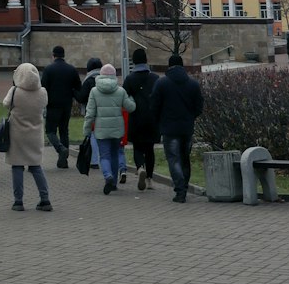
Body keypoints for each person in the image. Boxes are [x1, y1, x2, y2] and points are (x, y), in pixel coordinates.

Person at [151, 52, 204, 204]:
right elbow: (199, 107)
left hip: (169, 128)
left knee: (174, 159)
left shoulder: (162, 83)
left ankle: (180, 189)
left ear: (169, 66)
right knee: (184, 158)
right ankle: (184, 187)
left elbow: (154, 106)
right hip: (187, 127)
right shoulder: (193, 84)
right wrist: (190, 117)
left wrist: (159, 121)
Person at [2, 62, 52, 212]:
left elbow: (5, 104)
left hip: (17, 134)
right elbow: (44, 105)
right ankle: (45, 199)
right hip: (35, 135)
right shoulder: (43, 92)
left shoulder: (15, 91)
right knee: (36, 166)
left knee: (17, 166)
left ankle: (18, 201)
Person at [83, 64, 135, 194]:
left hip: (101, 130)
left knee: (104, 156)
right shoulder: (120, 91)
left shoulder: (94, 91)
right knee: (115, 155)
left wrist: (87, 130)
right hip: (117, 129)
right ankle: (114, 183)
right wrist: (132, 99)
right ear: (114, 76)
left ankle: (108, 176)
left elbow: (90, 113)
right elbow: (130, 108)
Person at [123, 47, 160, 190]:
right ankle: (150, 179)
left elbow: (124, 97)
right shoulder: (155, 78)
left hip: (136, 118)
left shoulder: (130, 79)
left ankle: (139, 168)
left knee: (137, 147)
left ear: (134, 61)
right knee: (150, 149)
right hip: (152, 119)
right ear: (146, 60)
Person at [40, 45, 81, 168]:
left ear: (53, 55)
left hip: (52, 105)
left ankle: (60, 149)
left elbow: (43, 88)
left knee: (50, 131)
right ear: (63, 55)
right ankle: (63, 161)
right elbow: (78, 87)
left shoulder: (48, 69)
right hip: (67, 105)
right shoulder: (71, 69)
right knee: (64, 131)